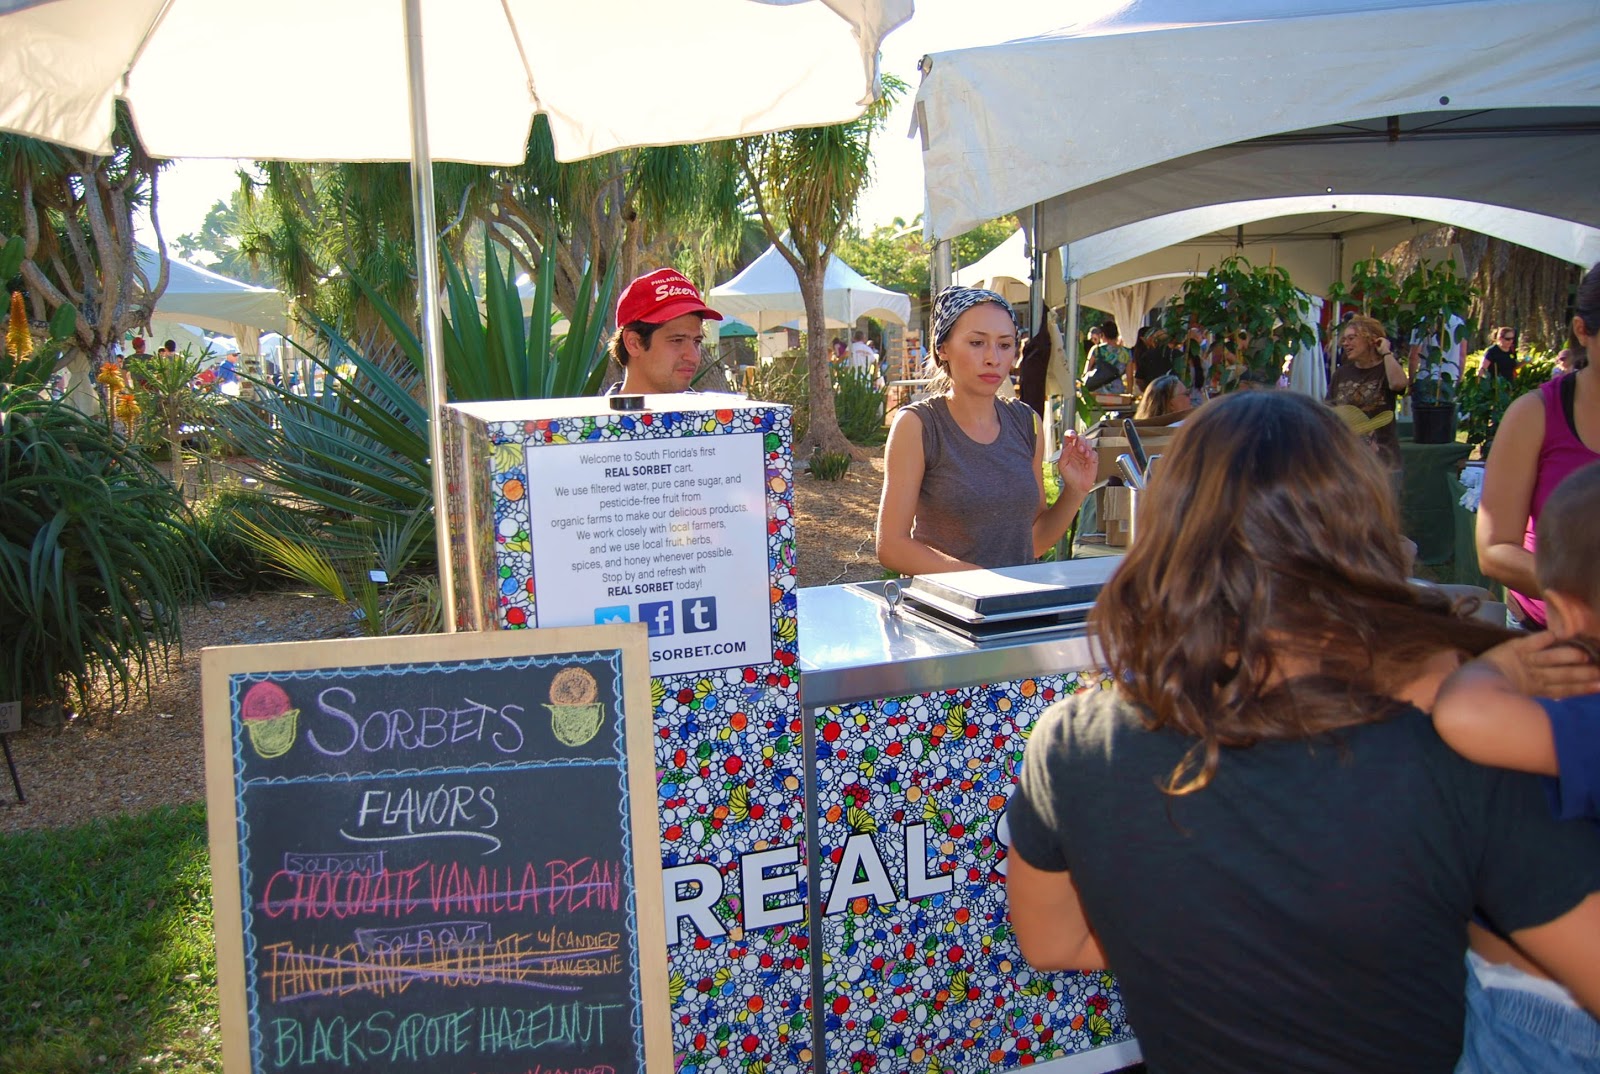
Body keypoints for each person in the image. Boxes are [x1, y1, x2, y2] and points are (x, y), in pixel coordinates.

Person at [1005, 389, 1600, 1074]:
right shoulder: (1454, 749)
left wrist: (1229, 925)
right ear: (1364, 533)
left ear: (1168, 533)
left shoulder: (1070, 742)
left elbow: (1051, 939)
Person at [1435, 461, 1600, 1072]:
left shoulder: (1586, 719)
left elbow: (1467, 718)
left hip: (1549, 1021)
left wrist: (1497, 669)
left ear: (1561, 612)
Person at [875, 286, 1097, 574]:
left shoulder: (1026, 422)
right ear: (943, 348)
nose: (993, 358)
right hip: (946, 611)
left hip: (1014, 608)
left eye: (1005, 345)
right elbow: (892, 546)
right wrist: (984, 584)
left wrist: (1075, 492)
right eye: (977, 343)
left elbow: (1033, 542)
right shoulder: (918, 425)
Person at [1478, 262, 1600, 630]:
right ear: (1582, 331)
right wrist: (1581, 592)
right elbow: (1495, 549)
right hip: (1548, 636)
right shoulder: (1535, 415)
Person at [607, 268, 723, 395]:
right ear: (633, 343)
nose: (693, 356)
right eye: (677, 340)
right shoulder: (594, 415)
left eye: (697, 341)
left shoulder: (716, 414)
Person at [1326, 313, 1407, 476]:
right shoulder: (1341, 374)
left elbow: (1399, 384)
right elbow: (1329, 412)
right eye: (1345, 339)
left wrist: (1386, 352)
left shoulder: (1386, 368)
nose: (1346, 343)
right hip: (1349, 462)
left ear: (1371, 339)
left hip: (1384, 462)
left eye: (1352, 338)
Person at [1082, 321, 1129, 394]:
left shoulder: (1096, 349)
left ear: (1102, 335)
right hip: (1117, 391)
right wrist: (1129, 394)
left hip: (1098, 390)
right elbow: (1130, 377)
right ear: (1116, 334)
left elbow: (1086, 371)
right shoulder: (1127, 352)